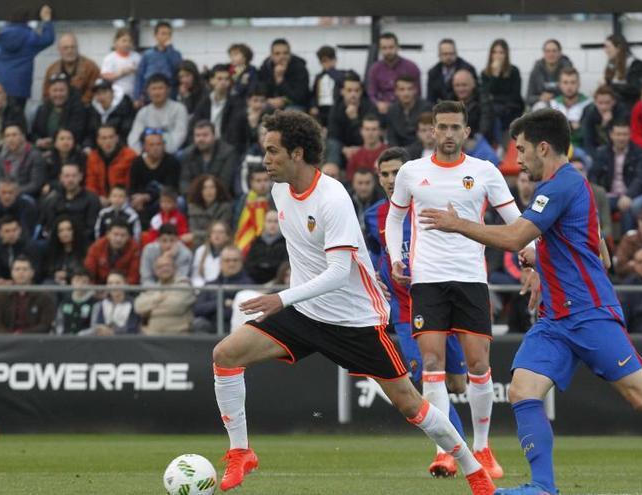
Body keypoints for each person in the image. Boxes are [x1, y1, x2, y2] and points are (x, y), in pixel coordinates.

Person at [419, 108, 642, 495]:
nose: (517, 160)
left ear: (543, 147)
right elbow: (598, 252)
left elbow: (516, 237)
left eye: (521, 150)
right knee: (522, 390)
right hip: (555, 319)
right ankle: (543, 487)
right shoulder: (572, 185)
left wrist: (458, 224)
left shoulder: (559, 186)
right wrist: (545, 260)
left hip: (589, 313)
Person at [211, 110, 496, 494]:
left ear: (297, 153)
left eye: (272, 151)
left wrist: (281, 297)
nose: (265, 160)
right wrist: (288, 300)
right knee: (226, 355)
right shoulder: (279, 190)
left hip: (355, 320)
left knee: (411, 405)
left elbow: (338, 272)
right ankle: (240, 451)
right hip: (305, 312)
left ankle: (474, 469)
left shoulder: (333, 197)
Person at [386, 101, 520, 479]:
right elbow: (395, 219)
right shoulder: (412, 172)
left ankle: (482, 447)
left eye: (454, 127)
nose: (447, 134)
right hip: (427, 280)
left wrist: (530, 260)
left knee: (478, 365)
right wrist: (398, 257)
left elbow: (516, 222)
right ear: (431, 131)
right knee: (432, 365)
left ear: (465, 131)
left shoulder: (484, 171)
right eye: (441, 127)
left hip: (471, 279)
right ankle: (445, 450)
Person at [363, 145, 471, 458]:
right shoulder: (374, 216)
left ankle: (455, 447)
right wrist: (376, 276)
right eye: (384, 174)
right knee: (426, 376)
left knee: (458, 384)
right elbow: (369, 250)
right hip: (407, 312)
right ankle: (452, 452)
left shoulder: (431, 204)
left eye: (396, 172)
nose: (390, 179)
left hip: (443, 304)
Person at [588, 120, 642, 232]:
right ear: (611, 135)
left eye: (625, 134)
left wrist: (629, 195)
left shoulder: (639, 153)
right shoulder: (602, 152)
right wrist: (599, 194)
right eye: (618, 134)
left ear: (630, 135)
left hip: (629, 195)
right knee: (598, 204)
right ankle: (602, 240)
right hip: (608, 195)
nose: (621, 138)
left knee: (628, 207)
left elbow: (641, 178)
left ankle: (626, 240)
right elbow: (593, 175)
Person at [0, 5, 54, 107]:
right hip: (21, 88)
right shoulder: (30, 37)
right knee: (17, 119)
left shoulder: (0, 36)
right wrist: (47, 21)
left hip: (1, 85)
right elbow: (48, 39)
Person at [192, 245, 254, 333]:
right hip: (210, 327)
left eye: (235, 260)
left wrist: (213, 309)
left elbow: (243, 312)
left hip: (235, 329)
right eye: (227, 260)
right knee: (199, 323)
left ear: (241, 262)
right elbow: (197, 309)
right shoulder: (210, 284)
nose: (231, 264)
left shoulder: (248, 285)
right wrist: (222, 302)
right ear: (220, 263)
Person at [0, 256, 55, 334]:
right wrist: (9, 336)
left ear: (32, 273)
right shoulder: (2, 296)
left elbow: (45, 325)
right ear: (12, 273)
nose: (21, 272)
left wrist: (22, 335)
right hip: (6, 341)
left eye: (25, 269)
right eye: (17, 269)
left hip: (33, 341)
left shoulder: (44, 296)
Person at [135, 254, 195, 335]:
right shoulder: (152, 288)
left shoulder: (184, 285)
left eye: (167, 265)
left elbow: (176, 307)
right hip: (152, 336)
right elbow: (138, 307)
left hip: (179, 335)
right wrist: (157, 299)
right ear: (155, 271)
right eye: (160, 267)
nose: (164, 269)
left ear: (174, 268)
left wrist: (149, 311)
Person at [39, 163, 100, 242]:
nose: (70, 180)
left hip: (82, 242)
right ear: (61, 178)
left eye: (74, 176)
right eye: (67, 176)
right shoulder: (52, 200)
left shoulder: (91, 199)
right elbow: (48, 226)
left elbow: (92, 228)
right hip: (56, 243)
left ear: (80, 177)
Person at [128, 74, 189, 154]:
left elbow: (180, 136)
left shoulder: (179, 109)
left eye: (160, 88)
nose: (157, 92)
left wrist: (160, 154)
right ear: (148, 91)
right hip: (147, 154)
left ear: (168, 90)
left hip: (172, 154)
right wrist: (141, 154)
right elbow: (133, 138)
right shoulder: (143, 112)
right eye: (153, 89)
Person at [128, 131, 181, 223]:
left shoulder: (172, 162)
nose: (155, 148)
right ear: (145, 147)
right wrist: (136, 199)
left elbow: (171, 187)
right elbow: (132, 186)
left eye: (159, 144)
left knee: (179, 201)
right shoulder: (137, 162)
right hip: (140, 199)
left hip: (164, 198)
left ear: (164, 146)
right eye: (151, 145)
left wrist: (147, 197)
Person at [480, 39, 524, 146]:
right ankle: (496, 145)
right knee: (491, 113)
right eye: (495, 52)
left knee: (502, 114)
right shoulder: (485, 73)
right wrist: (495, 75)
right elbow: (485, 94)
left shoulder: (513, 71)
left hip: (511, 107)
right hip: (494, 109)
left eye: (501, 52)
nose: (498, 56)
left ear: (506, 55)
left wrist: (496, 98)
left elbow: (515, 95)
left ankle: (503, 146)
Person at [180, 120, 239, 198]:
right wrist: (196, 196)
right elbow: (184, 181)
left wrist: (208, 194)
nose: (201, 139)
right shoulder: (188, 154)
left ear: (214, 136)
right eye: (197, 135)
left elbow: (225, 182)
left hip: (220, 197)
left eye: (205, 135)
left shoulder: (228, 153)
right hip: (195, 197)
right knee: (180, 201)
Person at [326, 71, 375, 166]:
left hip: (364, 146)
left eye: (356, 91)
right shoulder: (336, 108)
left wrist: (354, 119)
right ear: (342, 91)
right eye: (349, 90)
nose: (353, 94)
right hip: (342, 148)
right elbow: (333, 135)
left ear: (361, 91)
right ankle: (332, 173)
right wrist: (343, 148)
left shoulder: (369, 107)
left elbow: (369, 137)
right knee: (332, 145)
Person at [367, 32, 422, 115]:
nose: (388, 51)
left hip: (406, 109)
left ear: (397, 47)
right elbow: (371, 94)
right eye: (384, 48)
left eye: (391, 47)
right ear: (380, 49)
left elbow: (417, 93)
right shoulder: (375, 69)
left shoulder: (411, 67)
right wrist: (378, 103)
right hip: (383, 110)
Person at [0, 178, 38, 249]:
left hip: (20, 245)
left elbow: (26, 233)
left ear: (17, 193)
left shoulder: (27, 206)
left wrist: (0, 244)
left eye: (10, 192)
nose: (7, 196)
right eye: (4, 192)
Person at [32, 73, 88, 150]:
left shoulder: (78, 109)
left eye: (61, 90)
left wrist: (53, 140)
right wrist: (38, 141)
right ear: (49, 92)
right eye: (55, 90)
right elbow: (34, 132)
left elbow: (77, 133)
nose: (58, 94)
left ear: (68, 91)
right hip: (43, 150)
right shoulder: (42, 109)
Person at [191, 65, 241, 150]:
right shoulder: (203, 102)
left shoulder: (236, 103)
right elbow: (195, 125)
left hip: (225, 146)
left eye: (226, 79)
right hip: (203, 143)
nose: (223, 82)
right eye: (219, 79)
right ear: (211, 80)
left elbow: (234, 132)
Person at [42, 32, 100, 104]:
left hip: (83, 109)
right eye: (65, 48)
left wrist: (77, 106)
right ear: (59, 50)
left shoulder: (90, 67)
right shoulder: (51, 70)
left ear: (77, 48)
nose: (70, 51)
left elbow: (93, 91)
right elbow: (46, 94)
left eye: (73, 47)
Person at [134, 21, 182, 103]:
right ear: (156, 35)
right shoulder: (147, 54)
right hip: (149, 95)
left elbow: (177, 70)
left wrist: (170, 49)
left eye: (169, 34)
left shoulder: (176, 54)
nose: (166, 37)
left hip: (170, 95)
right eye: (163, 33)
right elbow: (140, 76)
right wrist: (137, 97)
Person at [85, 124, 137, 200]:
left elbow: (130, 183)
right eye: (104, 138)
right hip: (100, 200)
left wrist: (116, 198)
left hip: (123, 198)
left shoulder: (130, 156)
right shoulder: (92, 157)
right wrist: (97, 198)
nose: (108, 141)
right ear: (98, 141)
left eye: (111, 137)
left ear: (117, 138)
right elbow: (91, 183)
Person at [0, 216, 42, 284]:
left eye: (14, 230)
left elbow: (37, 271)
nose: (11, 234)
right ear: (0, 233)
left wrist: (15, 282)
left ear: (20, 230)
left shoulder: (30, 247)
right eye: (7, 231)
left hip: (27, 285)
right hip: (4, 286)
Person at [257, 38, 310, 111]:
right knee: (258, 108)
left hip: (294, 104)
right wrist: (268, 99)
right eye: (277, 54)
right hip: (271, 102)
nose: (282, 56)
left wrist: (280, 80)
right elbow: (260, 90)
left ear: (290, 54)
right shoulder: (265, 68)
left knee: (290, 113)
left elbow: (300, 96)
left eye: (285, 53)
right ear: (272, 56)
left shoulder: (300, 69)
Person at [84, 219, 141, 284]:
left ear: (128, 237)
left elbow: (134, 276)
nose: (118, 239)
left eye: (123, 235)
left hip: (124, 287)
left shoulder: (134, 248)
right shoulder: (96, 247)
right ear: (108, 234)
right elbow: (89, 272)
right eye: (115, 234)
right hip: (99, 287)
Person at [0, 122, 46, 198]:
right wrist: (2, 192)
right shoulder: (1, 156)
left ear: (22, 136)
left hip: (25, 195)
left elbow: (35, 184)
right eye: (7, 136)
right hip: (4, 194)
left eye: (14, 135)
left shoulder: (34, 155)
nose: (11, 139)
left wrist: (13, 192)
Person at [603, 34, 642, 108]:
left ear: (618, 48)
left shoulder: (637, 66)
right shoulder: (611, 65)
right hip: (614, 106)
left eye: (608, 47)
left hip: (629, 107)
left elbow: (636, 89)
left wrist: (610, 86)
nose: (605, 51)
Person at [85, 270, 139, 336]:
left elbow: (132, 329)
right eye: (110, 283)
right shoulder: (101, 304)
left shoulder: (134, 304)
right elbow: (98, 326)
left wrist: (113, 332)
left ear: (126, 284)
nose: (114, 286)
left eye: (118, 283)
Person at [546, 68, 590, 148]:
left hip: (581, 149)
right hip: (558, 149)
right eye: (565, 82)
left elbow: (586, 133)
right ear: (560, 84)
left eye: (573, 82)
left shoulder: (588, 104)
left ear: (579, 84)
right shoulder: (553, 104)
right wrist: (573, 127)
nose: (569, 87)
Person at [85, 78, 135, 147]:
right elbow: (90, 133)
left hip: (119, 148)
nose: (101, 97)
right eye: (98, 93)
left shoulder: (125, 107)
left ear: (112, 93)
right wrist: (87, 147)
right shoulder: (93, 109)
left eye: (104, 92)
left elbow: (126, 132)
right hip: (98, 148)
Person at [234, 165, 272, 253]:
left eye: (265, 180)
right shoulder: (243, 200)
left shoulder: (275, 199)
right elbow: (236, 222)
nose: (262, 184)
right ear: (251, 182)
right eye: (258, 181)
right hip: (245, 243)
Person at [387, 76, 434, 147]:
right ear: (396, 91)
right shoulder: (392, 110)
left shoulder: (426, 107)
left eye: (410, 89)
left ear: (415, 90)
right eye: (402, 89)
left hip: (421, 149)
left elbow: (426, 134)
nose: (406, 93)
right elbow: (391, 137)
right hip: (399, 151)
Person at [580, 85, 630, 153]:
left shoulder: (622, 111)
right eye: (600, 103)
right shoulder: (589, 112)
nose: (604, 107)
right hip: (595, 147)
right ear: (595, 102)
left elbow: (621, 138)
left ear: (613, 102)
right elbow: (587, 139)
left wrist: (608, 124)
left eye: (607, 103)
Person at [187, 175, 233, 247]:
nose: (209, 191)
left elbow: (221, 232)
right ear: (199, 191)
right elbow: (192, 230)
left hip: (219, 244)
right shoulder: (192, 207)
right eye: (205, 188)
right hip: (198, 245)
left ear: (217, 189)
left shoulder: (225, 208)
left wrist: (196, 235)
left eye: (212, 187)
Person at [526, 39, 573, 109]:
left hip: (562, 104)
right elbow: (528, 98)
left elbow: (572, 93)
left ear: (560, 53)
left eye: (554, 51)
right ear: (544, 53)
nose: (551, 54)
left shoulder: (567, 68)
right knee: (540, 106)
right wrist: (540, 98)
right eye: (548, 51)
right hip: (541, 104)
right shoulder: (536, 70)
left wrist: (554, 97)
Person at [244, 209, 287, 284]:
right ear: (264, 223)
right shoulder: (256, 242)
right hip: (254, 282)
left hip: (277, 284)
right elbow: (249, 264)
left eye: (276, 221)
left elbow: (284, 267)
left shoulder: (286, 243)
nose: (272, 225)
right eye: (269, 221)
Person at [427, 39, 476, 104]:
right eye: (445, 54)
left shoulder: (468, 69)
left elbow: (475, 93)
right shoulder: (433, 73)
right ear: (439, 55)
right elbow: (431, 98)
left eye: (451, 53)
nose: (448, 57)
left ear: (456, 53)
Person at [42, 215, 88, 285]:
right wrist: (55, 275)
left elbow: (85, 271)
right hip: (55, 285)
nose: (65, 233)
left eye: (69, 229)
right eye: (61, 231)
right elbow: (45, 271)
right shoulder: (51, 252)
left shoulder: (85, 251)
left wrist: (67, 275)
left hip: (76, 285)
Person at [100, 28, 141, 99]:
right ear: (116, 42)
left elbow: (142, 77)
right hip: (116, 98)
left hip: (134, 97)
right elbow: (104, 78)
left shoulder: (137, 57)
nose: (127, 44)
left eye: (129, 41)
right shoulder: (109, 58)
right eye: (124, 41)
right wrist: (121, 73)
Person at [44, 128, 87, 194]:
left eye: (69, 139)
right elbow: (45, 180)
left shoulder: (81, 157)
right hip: (54, 190)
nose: (65, 142)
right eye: (62, 139)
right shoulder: (47, 158)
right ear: (55, 143)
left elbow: (82, 179)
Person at [346, 115, 388, 181]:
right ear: (361, 131)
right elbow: (350, 181)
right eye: (367, 129)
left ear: (380, 131)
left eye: (374, 129)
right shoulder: (355, 156)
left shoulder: (388, 153)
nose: (370, 133)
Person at [191, 220, 232, 288]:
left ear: (227, 236)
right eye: (214, 232)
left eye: (221, 232)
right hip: (203, 290)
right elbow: (195, 276)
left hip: (223, 290)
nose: (217, 235)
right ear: (210, 236)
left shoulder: (232, 253)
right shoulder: (200, 251)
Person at [310, 45, 345, 125]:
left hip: (335, 107)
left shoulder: (342, 74)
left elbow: (342, 83)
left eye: (330, 60)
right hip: (321, 108)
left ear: (335, 60)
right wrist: (313, 106)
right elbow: (313, 94)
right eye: (324, 61)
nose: (328, 63)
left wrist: (331, 71)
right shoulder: (319, 77)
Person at [54, 268, 95, 334]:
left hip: (85, 341)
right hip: (65, 339)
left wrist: (80, 336)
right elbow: (59, 321)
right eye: (77, 280)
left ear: (89, 283)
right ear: (72, 281)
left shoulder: (94, 303)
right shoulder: (65, 300)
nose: (80, 285)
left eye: (84, 282)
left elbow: (94, 327)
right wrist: (61, 334)